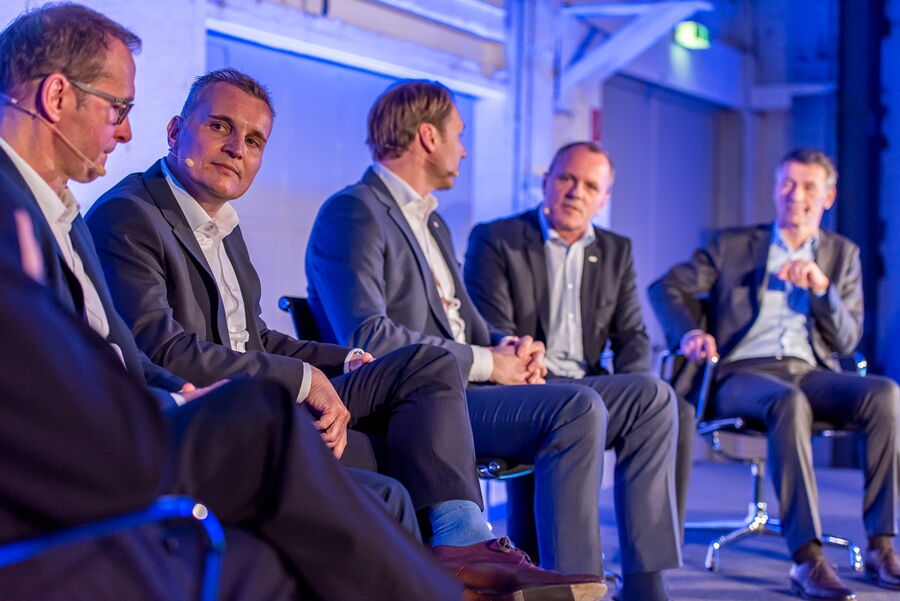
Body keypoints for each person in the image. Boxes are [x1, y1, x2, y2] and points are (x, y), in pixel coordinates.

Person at [84, 66, 605, 601]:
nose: (237, 148)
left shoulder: (223, 227)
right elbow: (163, 350)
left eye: (254, 140)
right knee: (409, 457)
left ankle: (464, 544)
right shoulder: (131, 215)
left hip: (267, 396)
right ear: (175, 131)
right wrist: (305, 379)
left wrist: (344, 359)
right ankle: (464, 570)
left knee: (426, 364)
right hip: (221, 414)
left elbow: (256, 339)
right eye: (220, 126)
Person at [0, 4, 464, 600]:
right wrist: (190, 398)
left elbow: (153, 351)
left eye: (253, 141)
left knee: (411, 395)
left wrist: (323, 363)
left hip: (141, 419)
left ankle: (464, 546)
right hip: (102, 450)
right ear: (57, 96)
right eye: (118, 108)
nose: (126, 132)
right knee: (269, 419)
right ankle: (454, 575)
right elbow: (124, 358)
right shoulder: (96, 212)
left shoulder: (67, 214)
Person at [306, 79, 679, 601]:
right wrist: (488, 362)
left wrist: (513, 350)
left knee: (651, 395)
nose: (464, 149)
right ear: (429, 137)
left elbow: (472, 327)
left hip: (471, 390)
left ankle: (644, 588)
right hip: (421, 405)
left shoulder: (431, 222)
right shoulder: (353, 211)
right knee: (577, 406)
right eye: (459, 134)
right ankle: (567, 584)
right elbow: (368, 335)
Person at [649, 148, 900, 600]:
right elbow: (665, 286)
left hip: (808, 369)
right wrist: (690, 332)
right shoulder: (734, 245)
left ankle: (882, 546)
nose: (795, 195)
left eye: (808, 187)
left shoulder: (842, 254)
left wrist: (822, 289)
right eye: (787, 183)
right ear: (774, 188)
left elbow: (846, 342)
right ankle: (807, 559)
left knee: (884, 392)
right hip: (741, 372)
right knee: (789, 401)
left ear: (827, 197)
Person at [463, 141, 693, 535]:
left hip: (588, 382)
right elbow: (490, 329)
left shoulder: (616, 250)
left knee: (671, 408)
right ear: (545, 182)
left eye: (590, 186)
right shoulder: (497, 239)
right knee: (570, 409)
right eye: (566, 179)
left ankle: (653, 567)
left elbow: (632, 335)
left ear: (603, 200)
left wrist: (633, 384)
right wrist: (528, 367)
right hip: (527, 381)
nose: (575, 192)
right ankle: (546, 557)